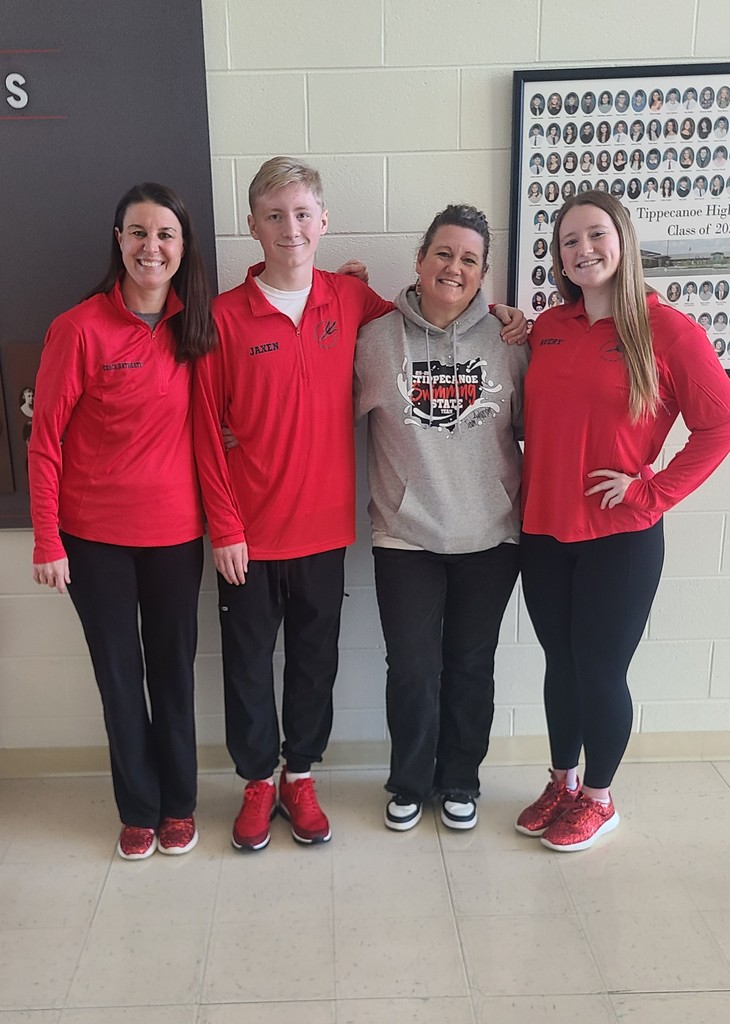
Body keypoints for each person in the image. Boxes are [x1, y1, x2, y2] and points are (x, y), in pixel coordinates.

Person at [192, 158, 525, 853]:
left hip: (326, 533)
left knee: (317, 665)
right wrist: (222, 525)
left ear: (323, 222)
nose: (290, 228)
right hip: (249, 537)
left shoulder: (350, 304)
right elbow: (203, 429)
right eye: (275, 215)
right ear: (251, 224)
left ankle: (303, 776)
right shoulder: (230, 317)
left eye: (303, 214)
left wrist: (504, 314)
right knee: (250, 667)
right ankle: (259, 784)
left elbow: (433, 315)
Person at [515, 190, 730, 852]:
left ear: (624, 241)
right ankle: (563, 781)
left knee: (600, 670)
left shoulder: (667, 331)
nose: (583, 250)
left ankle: (599, 798)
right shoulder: (549, 327)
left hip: (621, 539)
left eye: (596, 235)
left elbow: (719, 423)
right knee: (559, 662)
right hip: (543, 531)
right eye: (570, 240)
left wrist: (654, 491)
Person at [28, 183, 216, 860]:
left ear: (182, 247)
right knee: (118, 674)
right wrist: (47, 539)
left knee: (173, 673)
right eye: (139, 233)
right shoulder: (78, 328)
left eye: (165, 234)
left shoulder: (196, 326)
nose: (152, 247)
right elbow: (44, 440)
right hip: (94, 541)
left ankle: (179, 806)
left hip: (174, 537)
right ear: (119, 241)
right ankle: (138, 808)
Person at [353, 205, 527, 832]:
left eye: (470, 259)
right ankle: (408, 781)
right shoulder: (374, 341)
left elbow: (540, 431)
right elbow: (316, 412)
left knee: (471, 664)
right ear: (421, 260)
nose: (455, 267)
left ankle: (460, 779)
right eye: (444, 254)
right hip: (404, 535)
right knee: (414, 668)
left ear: (484, 275)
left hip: (491, 534)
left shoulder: (512, 345)